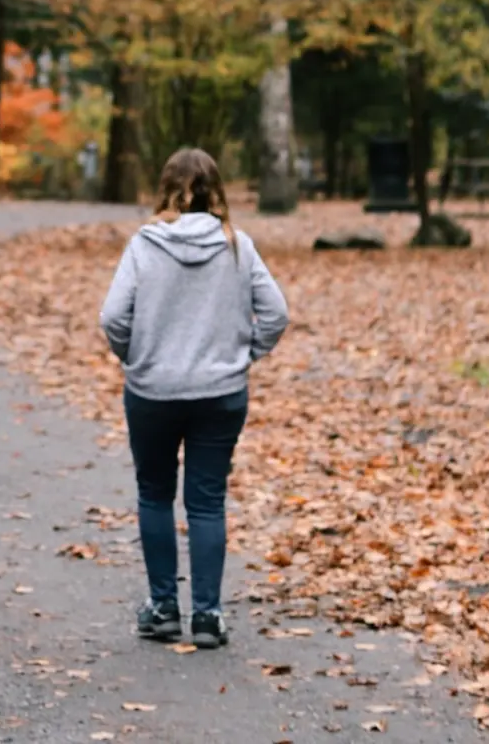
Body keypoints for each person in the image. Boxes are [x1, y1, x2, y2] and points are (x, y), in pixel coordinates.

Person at [98, 148, 289, 650]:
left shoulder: (145, 244)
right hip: (220, 393)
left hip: (152, 390)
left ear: (165, 189)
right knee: (206, 501)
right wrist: (243, 354)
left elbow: (113, 317)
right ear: (216, 191)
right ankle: (207, 615)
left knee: (155, 493)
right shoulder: (236, 247)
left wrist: (136, 355)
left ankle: (163, 607)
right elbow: (276, 314)